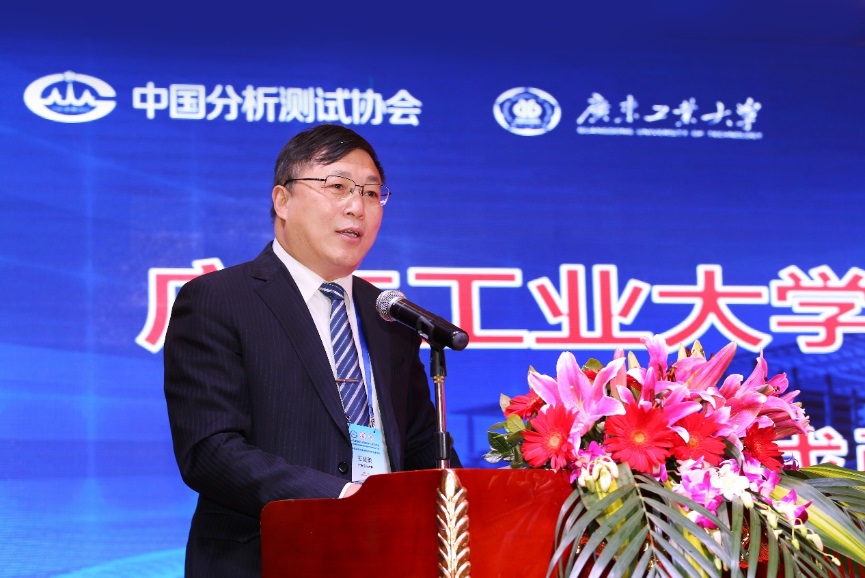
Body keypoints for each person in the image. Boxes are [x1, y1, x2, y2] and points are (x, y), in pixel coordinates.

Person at [163, 123, 459, 577]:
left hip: (389, 556)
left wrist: (465, 508)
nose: (357, 206)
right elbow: (210, 449)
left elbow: (420, 443)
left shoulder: (389, 317)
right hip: (267, 557)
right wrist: (342, 498)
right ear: (282, 201)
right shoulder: (219, 299)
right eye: (337, 186)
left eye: (371, 193)